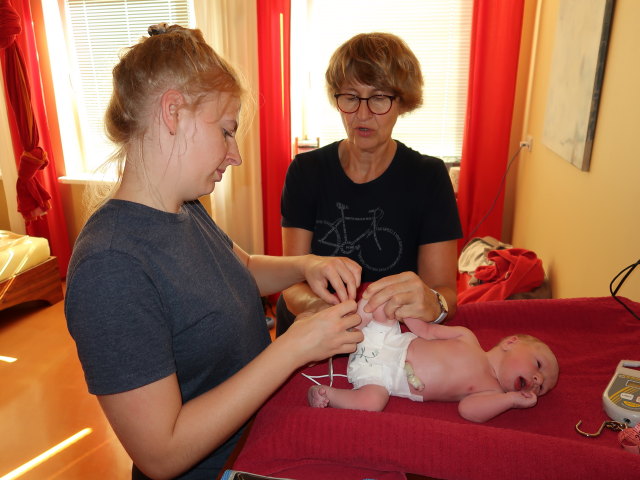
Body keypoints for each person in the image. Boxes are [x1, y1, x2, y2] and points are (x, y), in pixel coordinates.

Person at [64, 24, 365, 480]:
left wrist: (307, 264)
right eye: (226, 131)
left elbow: (238, 267)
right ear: (172, 112)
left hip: (257, 440)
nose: (236, 154)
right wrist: (291, 348)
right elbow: (161, 455)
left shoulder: (184, 207)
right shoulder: (109, 266)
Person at [276, 32, 462, 337]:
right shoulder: (306, 171)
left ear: (403, 102)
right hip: (311, 330)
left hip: (387, 342)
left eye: (378, 98)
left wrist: (433, 302)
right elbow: (290, 283)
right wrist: (329, 314)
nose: (362, 115)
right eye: (350, 97)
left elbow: (445, 294)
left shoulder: (428, 177)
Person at [308, 297, 559, 423]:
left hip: (382, 378)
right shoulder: (467, 338)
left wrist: (510, 400)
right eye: (539, 366)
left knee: (373, 403)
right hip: (386, 339)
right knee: (382, 304)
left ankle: (327, 394)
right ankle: (350, 323)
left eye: (542, 387)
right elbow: (426, 331)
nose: (538, 381)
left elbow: (468, 411)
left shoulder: (491, 391)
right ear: (510, 342)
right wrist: (405, 310)